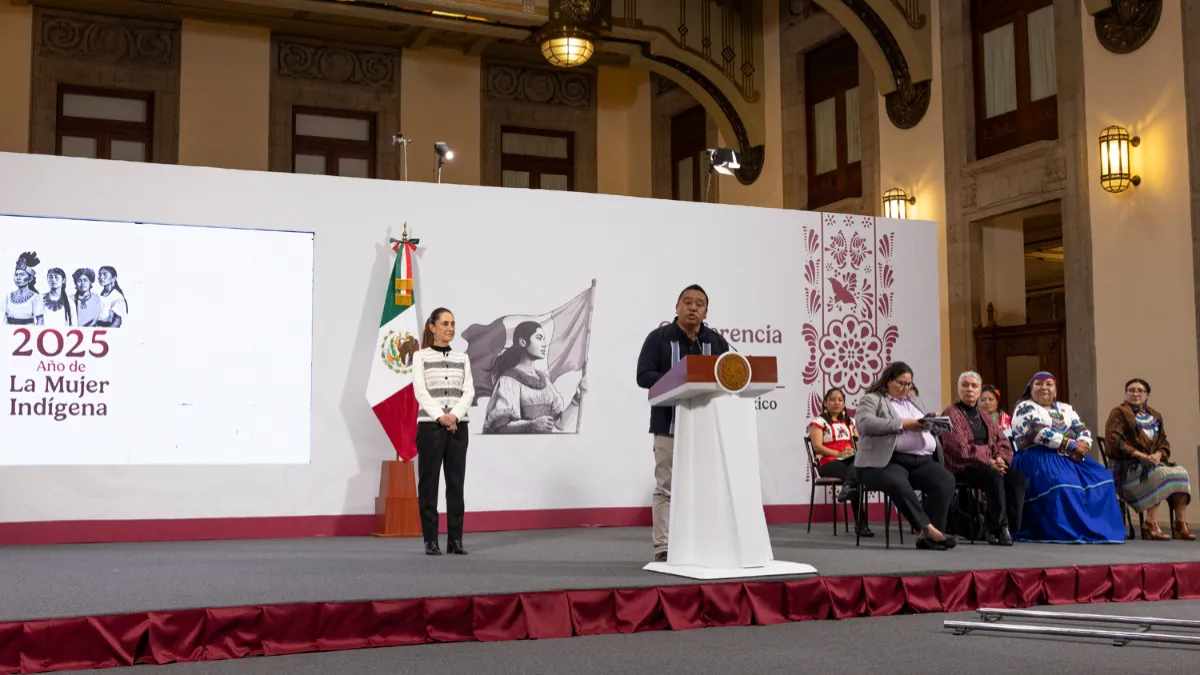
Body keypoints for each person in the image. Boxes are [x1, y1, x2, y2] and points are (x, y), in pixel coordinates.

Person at [636, 284, 730, 562]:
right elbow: (643, 376)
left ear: (706, 311)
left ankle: (704, 543)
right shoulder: (659, 338)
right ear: (676, 308)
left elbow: (728, 376)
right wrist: (679, 378)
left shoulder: (715, 342)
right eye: (687, 302)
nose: (692, 307)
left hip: (706, 427)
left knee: (705, 486)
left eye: (699, 304)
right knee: (666, 486)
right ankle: (663, 547)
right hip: (668, 425)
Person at [1009, 372, 1125, 544]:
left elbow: (1082, 430)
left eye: (1049, 384)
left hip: (1070, 456)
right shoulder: (1024, 407)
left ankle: (1096, 530)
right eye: (1038, 384)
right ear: (1031, 389)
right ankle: (1066, 531)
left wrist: (1083, 445)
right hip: (1037, 456)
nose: (1044, 388)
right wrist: (1071, 445)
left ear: (1055, 390)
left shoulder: (1066, 409)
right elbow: (1038, 432)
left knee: (1103, 478)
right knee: (1063, 482)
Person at [854, 361, 958, 551]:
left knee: (945, 480)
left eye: (909, 384)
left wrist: (931, 422)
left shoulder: (914, 401)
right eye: (901, 383)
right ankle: (928, 529)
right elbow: (865, 424)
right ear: (888, 381)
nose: (905, 388)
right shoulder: (872, 399)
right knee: (896, 482)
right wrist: (903, 423)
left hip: (920, 460)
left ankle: (928, 538)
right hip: (885, 461)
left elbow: (919, 424)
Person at [411, 308, 475, 556]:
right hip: (430, 428)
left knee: (456, 484)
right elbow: (421, 391)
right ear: (432, 327)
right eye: (445, 323)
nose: (450, 328)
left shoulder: (462, 359)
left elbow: (468, 391)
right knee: (429, 484)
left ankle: (455, 540)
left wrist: (454, 416)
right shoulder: (420, 357)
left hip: (458, 428)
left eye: (453, 324)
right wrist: (440, 416)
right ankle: (431, 540)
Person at [940, 371, 1026, 546]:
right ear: (958, 389)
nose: (969, 389)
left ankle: (1001, 525)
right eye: (965, 385)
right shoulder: (951, 412)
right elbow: (959, 448)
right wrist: (989, 460)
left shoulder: (984, 416)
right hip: (963, 466)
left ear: (979, 391)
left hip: (988, 464)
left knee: (1017, 478)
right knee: (993, 476)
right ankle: (999, 527)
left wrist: (1001, 459)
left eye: (974, 386)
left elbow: (1002, 442)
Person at [1103, 378, 1194, 541]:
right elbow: (1113, 441)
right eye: (1131, 390)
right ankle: (1150, 524)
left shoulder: (1155, 415)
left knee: (1181, 472)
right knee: (1159, 473)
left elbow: (1163, 442)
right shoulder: (1119, 412)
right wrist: (1141, 455)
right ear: (1126, 394)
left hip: (1152, 464)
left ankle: (1180, 524)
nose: (1135, 393)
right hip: (1126, 468)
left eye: (1140, 390)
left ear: (1147, 395)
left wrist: (1158, 454)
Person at [482, 320, 586, 434]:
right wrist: (530, 425)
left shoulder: (544, 380)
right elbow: (500, 428)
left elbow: (560, 424)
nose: (544, 344)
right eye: (539, 338)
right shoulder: (509, 380)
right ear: (523, 342)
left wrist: (576, 399)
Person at [808, 387, 871, 536]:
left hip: (849, 462)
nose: (836, 402)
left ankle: (848, 487)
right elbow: (817, 447)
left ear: (844, 404)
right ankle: (861, 524)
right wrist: (839, 453)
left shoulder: (851, 422)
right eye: (832, 399)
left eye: (840, 400)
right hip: (828, 463)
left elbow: (857, 443)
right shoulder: (818, 422)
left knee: (855, 469)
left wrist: (853, 451)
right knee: (855, 477)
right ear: (825, 403)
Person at [5, 252, 44, 326]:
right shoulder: (8, 296)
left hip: (28, 332)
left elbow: (40, 321)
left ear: (30, 279)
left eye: (22, 275)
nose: (18, 278)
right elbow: (6, 318)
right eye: (16, 275)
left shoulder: (36, 298)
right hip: (10, 332)